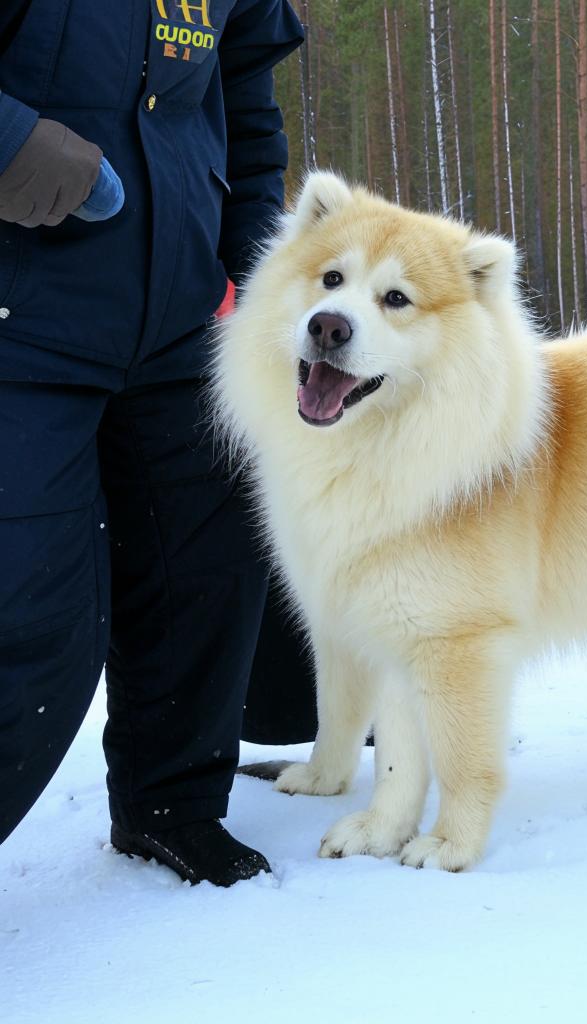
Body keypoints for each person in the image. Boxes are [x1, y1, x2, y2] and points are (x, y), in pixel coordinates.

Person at [0, 0, 304, 886]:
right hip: (21, 326)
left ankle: (169, 806)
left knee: (205, 574)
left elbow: (244, 104)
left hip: (183, 319)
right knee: (27, 618)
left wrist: (254, 269)